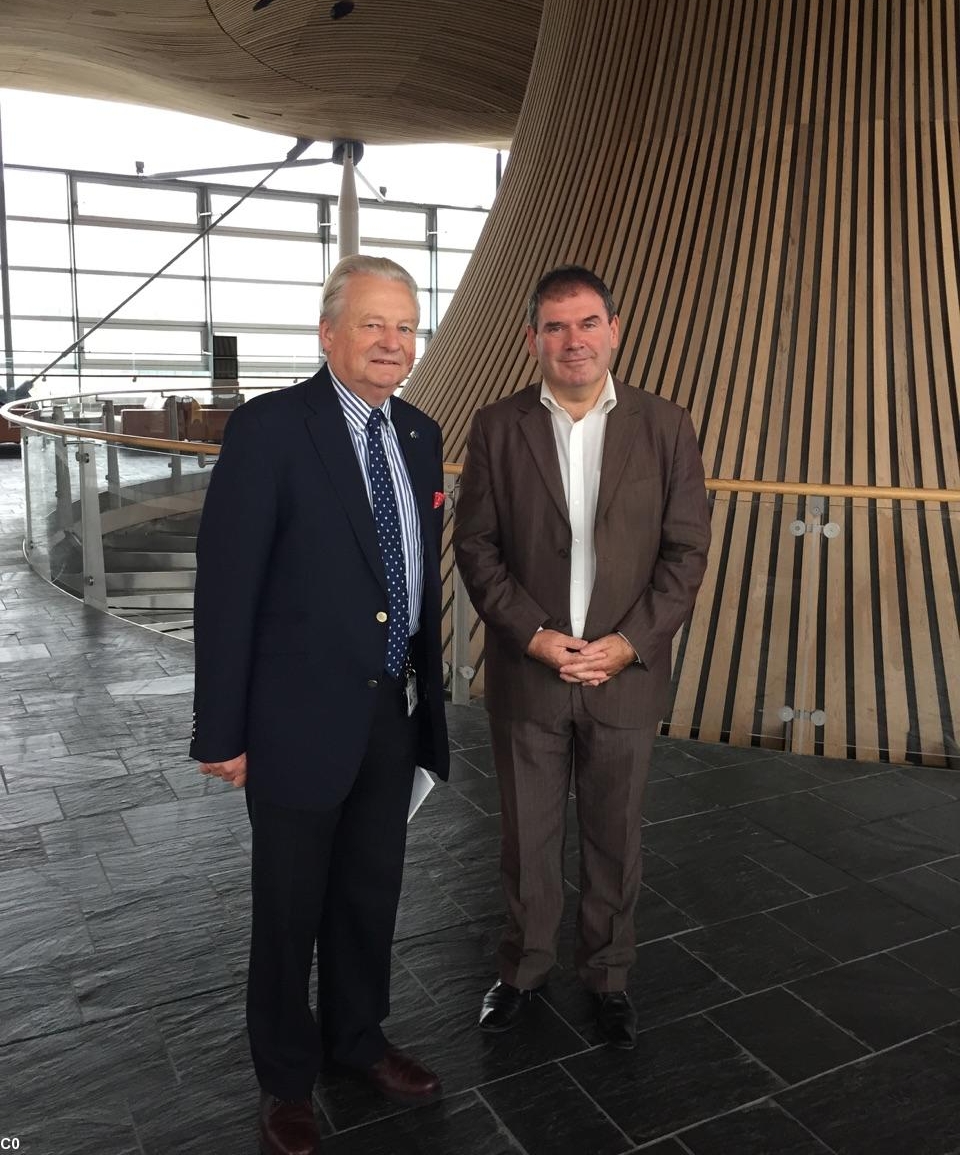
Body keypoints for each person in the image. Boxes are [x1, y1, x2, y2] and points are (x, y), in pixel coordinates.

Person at [190, 255, 449, 1155]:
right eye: (375, 323)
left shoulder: (419, 432)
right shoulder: (269, 429)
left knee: (370, 893)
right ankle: (286, 1080)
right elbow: (226, 588)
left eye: (407, 326)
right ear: (328, 331)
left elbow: (411, 577)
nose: (392, 342)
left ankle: (358, 1041)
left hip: (392, 707)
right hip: (294, 715)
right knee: (289, 905)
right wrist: (221, 729)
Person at [453, 265, 711, 1050]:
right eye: (557, 326)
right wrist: (531, 633)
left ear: (615, 330)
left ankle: (608, 977)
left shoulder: (664, 426)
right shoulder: (498, 427)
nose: (574, 340)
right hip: (529, 670)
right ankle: (525, 971)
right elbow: (477, 546)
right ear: (532, 338)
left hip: (624, 673)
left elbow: (686, 551)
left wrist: (630, 643)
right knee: (526, 835)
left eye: (588, 323)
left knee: (613, 833)